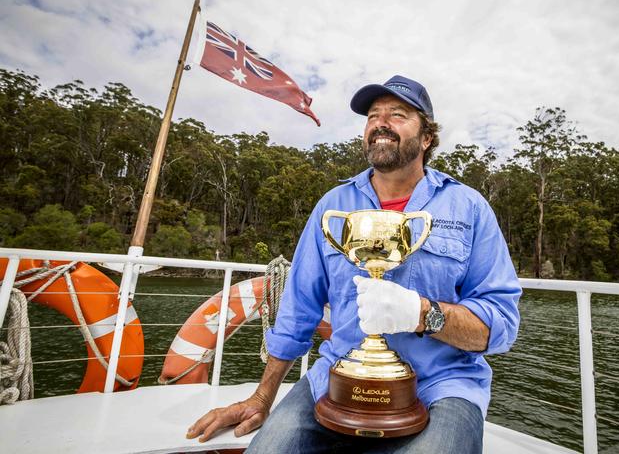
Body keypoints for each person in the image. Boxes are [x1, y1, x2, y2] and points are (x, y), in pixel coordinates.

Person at [187, 75, 522, 453]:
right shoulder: (333, 206)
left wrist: (422, 313)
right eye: (373, 116)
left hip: (442, 384)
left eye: (398, 114)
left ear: (427, 138)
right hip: (338, 375)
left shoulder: (469, 207)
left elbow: (501, 325)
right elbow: (299, 307)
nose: (381, 122)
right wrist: (262, 398)